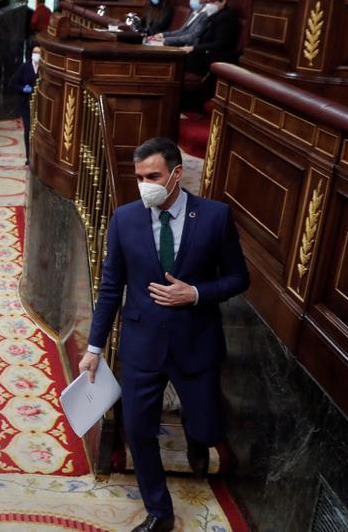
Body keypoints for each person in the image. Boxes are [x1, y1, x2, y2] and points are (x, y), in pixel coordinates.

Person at [78, 136, 249, 532]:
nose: (144, 185)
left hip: (196, 341)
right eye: (138, 177)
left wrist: (196, 293)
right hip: (142, 345)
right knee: (137, 429)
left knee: (206, 429)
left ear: (176, 174)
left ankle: (194, 437)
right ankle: (159, 511)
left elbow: (240, 278)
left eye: (152, 176)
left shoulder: (215, 217)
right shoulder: (125, 219)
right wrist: (94, 346)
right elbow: (110, 287)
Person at [178, 0, 239, 76]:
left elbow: (219, 44)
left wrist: (193, 48)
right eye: (206, 2)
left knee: (178, 61)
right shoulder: (213, 15)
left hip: (216, 58)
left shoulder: (226, 17)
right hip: (204, 54)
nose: (208, 5)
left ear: (223, 1)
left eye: (212, 1)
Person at [146, 0, 211, 47]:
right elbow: (181, 32)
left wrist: (164, 40)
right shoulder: (195, 12)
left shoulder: (205, 15)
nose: (191, 0)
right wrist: (162, 35)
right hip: (180, 46)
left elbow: (192, 38)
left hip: (188, 50)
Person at [8, 46, 41, 159]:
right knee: (28, 128)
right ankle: (28, 156)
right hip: (25, 103)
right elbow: (14, 82)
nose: (36, 54)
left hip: (39, 104)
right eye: (34, 52)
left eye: (38, 53)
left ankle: (36, 157)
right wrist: (23, 88)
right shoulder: (25, 67)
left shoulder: (44, 68)